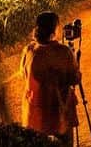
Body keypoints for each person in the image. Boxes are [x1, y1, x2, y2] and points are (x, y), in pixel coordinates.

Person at [21, 11, 80, 143]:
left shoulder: (28, 50)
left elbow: (23, 74)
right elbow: (74, 78)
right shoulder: (63, 51)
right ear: (54, 29)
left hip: (34, 111)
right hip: (59, 110)